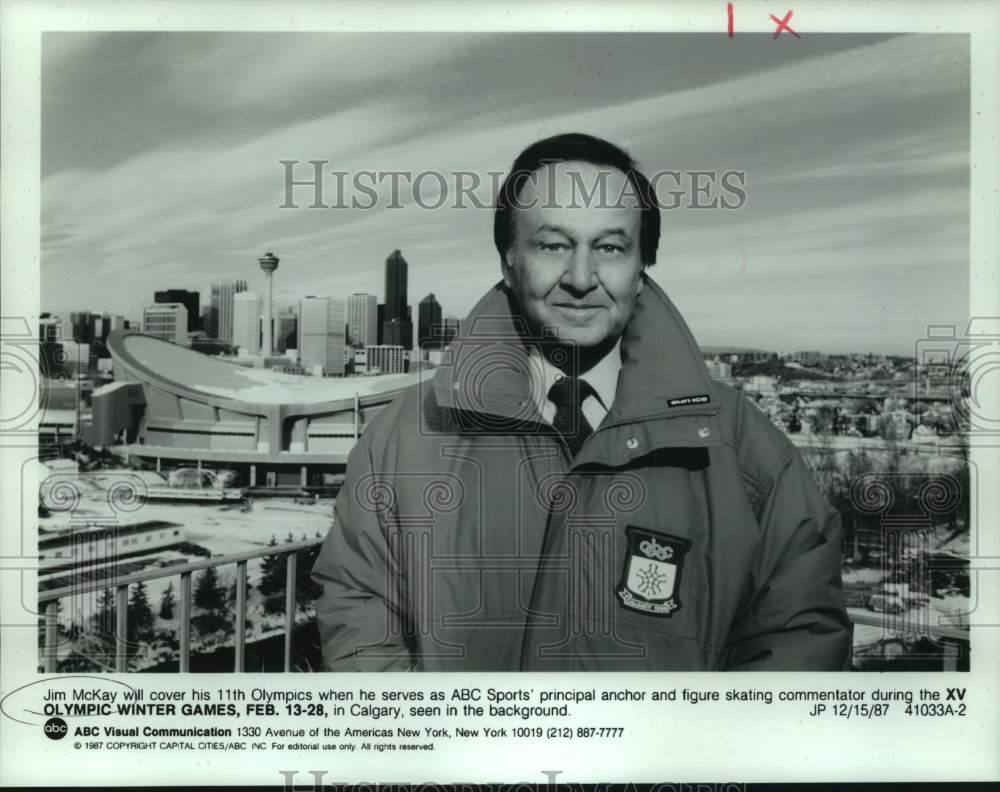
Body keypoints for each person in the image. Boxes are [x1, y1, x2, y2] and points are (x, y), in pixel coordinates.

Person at [311, 133, 851, 671]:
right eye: (553, 245)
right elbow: (359, 609)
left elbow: (796, 643)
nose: (580, 278)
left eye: (611, 247)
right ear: (508, 260)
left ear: (642, 269)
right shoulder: (405, 435)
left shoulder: (744, 449)